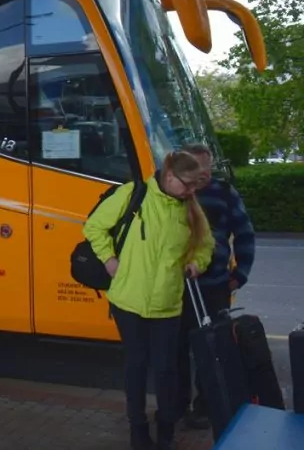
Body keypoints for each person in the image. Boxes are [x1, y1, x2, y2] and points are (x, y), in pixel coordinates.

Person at [83, 150, 215, 450]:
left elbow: (206, 245)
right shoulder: (134, 195)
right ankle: (137, 428)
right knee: (137, 366)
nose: (192, 191)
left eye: (196, 185)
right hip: (128, 301)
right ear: (170, 177)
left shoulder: (190, 208)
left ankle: (166, 427)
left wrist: (197, 263)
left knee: (167, 368)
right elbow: (93, 226)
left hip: (168, 304)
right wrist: (108, 260)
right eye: (188, 184)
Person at [177, 143, 257, 430]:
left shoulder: (223, 192)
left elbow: (245, 231)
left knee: (211, 349)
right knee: (176, 349)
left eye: (208, 167)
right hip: (178, 286)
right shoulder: (174, 190)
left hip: (214, 285)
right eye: (199, 168)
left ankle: (205, 406)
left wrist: (241, 272)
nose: (205, 174)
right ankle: (176, 405)